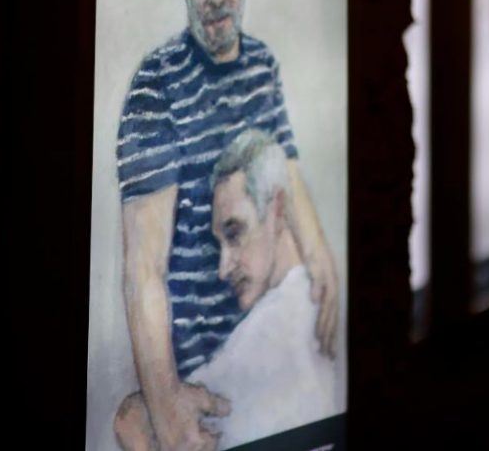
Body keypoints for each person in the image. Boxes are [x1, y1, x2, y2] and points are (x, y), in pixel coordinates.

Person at [113, 0, 339, 451]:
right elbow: (143, 273)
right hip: (203, 380)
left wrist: (322, 262)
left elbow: (287, 171)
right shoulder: (155, 88)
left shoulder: (263, 66)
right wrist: (167, 406)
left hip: (268, 354)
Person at [115, 130, 337, 450]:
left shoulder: (272, 333)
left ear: (277, 209)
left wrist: (140, 414)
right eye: (220, 243)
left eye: (234, 234)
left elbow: (132, 424)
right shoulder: (302, 308)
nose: (223, 268)